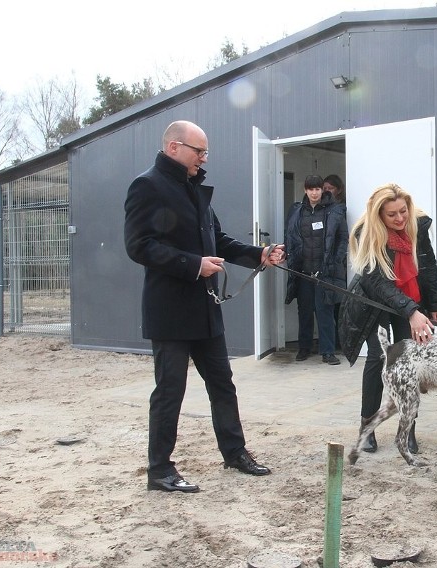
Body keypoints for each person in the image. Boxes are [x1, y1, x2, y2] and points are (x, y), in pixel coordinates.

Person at [124, 120, 285, 493]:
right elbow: (139, 246)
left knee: (222, 385)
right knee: (170, 391)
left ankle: (234, 452)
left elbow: (219, 241)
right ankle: (160, 470)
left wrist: (258, 254)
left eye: (205, 151)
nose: (204, 158)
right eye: (199, 151)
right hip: (169, 312)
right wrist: (194, 265)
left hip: (205, 308)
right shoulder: (146, 186)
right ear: (173, 147)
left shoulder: (195, 188)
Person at [338, 183, 437, 454]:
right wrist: (411, 312)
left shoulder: (417, 226)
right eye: (392, 215)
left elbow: (428, 264)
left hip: (410, 298)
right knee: (378, 357)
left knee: (408, 363)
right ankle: (368, 425)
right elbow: (376, 282)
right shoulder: (367, 233)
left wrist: (433, 304)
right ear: (379, 216)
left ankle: (408, 427)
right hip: (375, 302)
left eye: (403, 211)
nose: (400, 219)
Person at [284, 174, 348, 364]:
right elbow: (289, 236)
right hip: (302, 271)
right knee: (304, 310)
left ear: (323, 190)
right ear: (305, 190)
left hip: (325, 271)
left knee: (324, 311)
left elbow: (343, 239)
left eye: (317, 189)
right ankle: (304, 348)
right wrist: (288, 254)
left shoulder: (335, 210)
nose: (314, 193)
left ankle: (327, 351)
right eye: (310, 189)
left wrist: (336, 261)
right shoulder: (297, 211)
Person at [322, 174, 346, 348]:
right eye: (325, 188)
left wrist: (338, 257)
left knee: (340, 303)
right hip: (326, 263)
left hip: (339, 263)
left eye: (330, 188)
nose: (326, 191)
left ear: (338, 189)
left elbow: (343, 237)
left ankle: (341, 341)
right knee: (328, 303)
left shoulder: (341, 208)